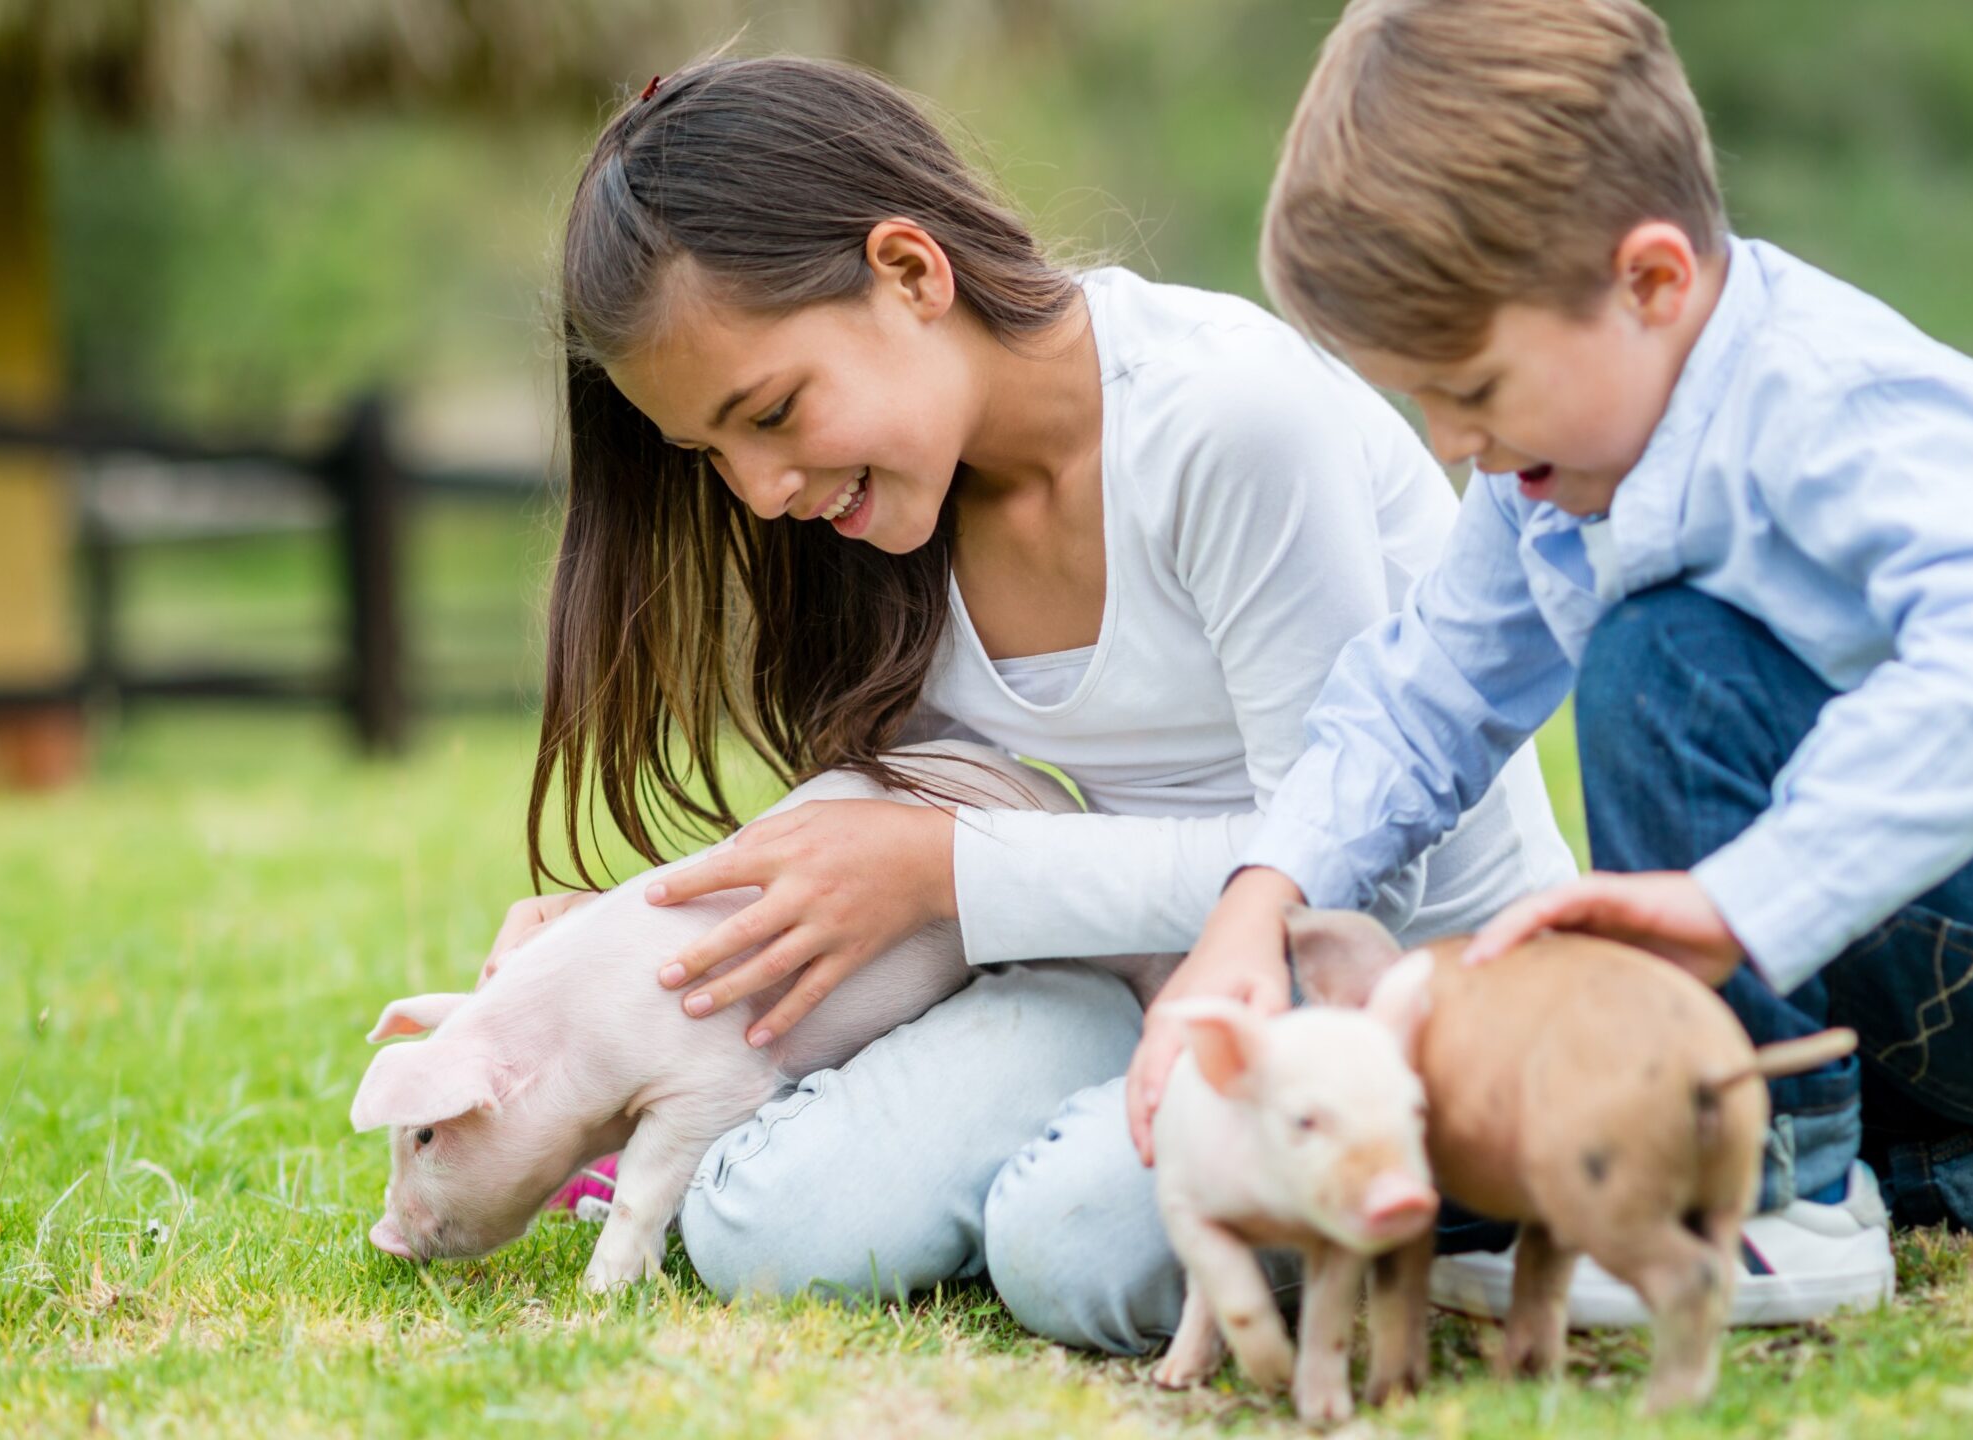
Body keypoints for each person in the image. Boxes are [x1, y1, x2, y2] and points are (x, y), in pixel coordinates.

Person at [1130, 0, 1973, 1329]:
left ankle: (1780, 1197)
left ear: (1653, 282)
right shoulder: (1555, 469)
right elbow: (1423, 695)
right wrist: (1257, 902)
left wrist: (1741, 903)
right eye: (1422, 403)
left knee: (1661, 654)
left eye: (1477, 389)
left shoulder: (1829, 402)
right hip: (1889, 957)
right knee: (1484, 1147)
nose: (1453, 444)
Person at [490, 54, 1578, 1352]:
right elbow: (918, 851)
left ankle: (1385, 1205)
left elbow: (1351, 872)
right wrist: (625, 960)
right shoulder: (884, 519)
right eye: (712, 456)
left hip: (1382, 1003)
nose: (760, 490)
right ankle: (1050, 1149)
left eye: (773, 412)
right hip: (1119, 985)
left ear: (909, 271)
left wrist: (953, 867)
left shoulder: (1225, 422)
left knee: (1078, 1253)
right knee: (761, 1232)